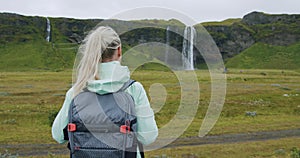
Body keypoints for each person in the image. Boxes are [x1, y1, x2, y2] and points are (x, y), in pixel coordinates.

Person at [51, 26, 158, 157]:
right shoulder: (134, 89)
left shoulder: (76, 91)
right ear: (119, 51)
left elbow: (58, 135)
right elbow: (148, 137)